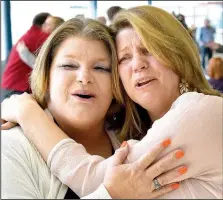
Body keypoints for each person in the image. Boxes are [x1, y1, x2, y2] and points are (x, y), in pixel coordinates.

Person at [2, 5, 223, 199]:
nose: (138, 64)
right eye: (124, 58)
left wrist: (28, 114)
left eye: (101, 68)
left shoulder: (201, 111)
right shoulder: (12, 147)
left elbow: (96, 178)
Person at [1, 12, 50, 101]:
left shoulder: (30, 35)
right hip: (17, 88)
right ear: (44, 24)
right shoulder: (39, 37)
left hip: (12, 86)